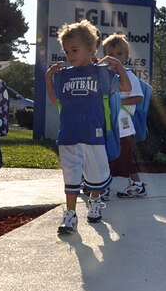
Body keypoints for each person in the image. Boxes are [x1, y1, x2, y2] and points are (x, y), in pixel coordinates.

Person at [46, 19, 131, 235]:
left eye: (74, 50)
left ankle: (94, 202)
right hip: (68, 133)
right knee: (71, 175)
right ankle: (71, 215)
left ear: (91, 48)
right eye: (66, 51)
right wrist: (48, 77)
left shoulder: (102, 73)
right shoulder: (63, 75)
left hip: (94, 134)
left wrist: (119, 67)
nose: (70, 55)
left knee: (95, 176)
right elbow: (55, 100)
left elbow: (126, 86)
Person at [102, 33, 147, 198]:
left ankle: (133, 185)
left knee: (122, 158)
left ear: (126, 57)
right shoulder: (106, 75)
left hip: (124, 127)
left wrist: (118, 103)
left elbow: (139, 97)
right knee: (112, 156)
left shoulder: (129, 76)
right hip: (112, 125)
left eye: (119, 54)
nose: (115, 58)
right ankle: (135, 185)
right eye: (111, 54)